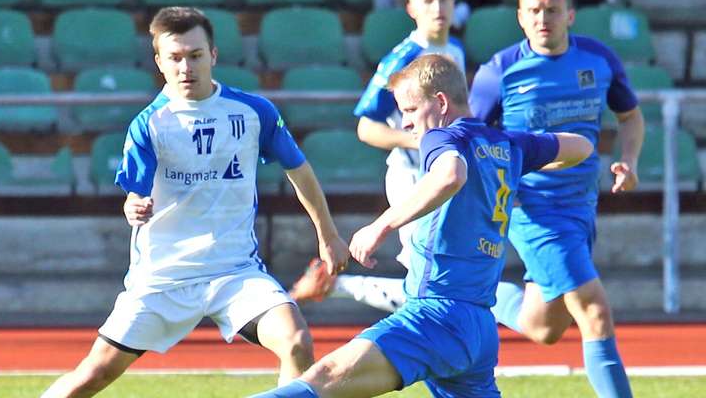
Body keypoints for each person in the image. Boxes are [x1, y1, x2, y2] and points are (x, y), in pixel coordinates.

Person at [40, 7, 350, 398]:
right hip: (163, 276)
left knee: (296, 341)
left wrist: (329, 235)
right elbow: (134, 195)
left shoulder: (254, 112)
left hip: (234, 271)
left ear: (214, 55)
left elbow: (299, 172)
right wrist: (132, 205)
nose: (186, 66)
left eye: (195, 55)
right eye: (175, 57)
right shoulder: (149, 124)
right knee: (92, 376)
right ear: (159, 62)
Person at [250, 54, 593, 398]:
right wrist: (519, 166)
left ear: (440, 102)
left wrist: (380, 226)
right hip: (478, 328)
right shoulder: (507, 145)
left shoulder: (442, 137)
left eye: (411, 110)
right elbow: (582, 146)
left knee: (325, 377)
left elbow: (451, 175)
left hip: (436, 314)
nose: (405, 124)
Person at [468, 0, 644, 398]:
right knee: (595, 312)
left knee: (543, 326)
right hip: (533, 213)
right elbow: (470, 140)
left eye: (552, 9)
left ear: (571, 15)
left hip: (581, 208)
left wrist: (628, 160)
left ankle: (484, 295)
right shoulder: (499, 73)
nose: (543, 18)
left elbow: (630, 116)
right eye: (534, 10)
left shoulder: (598, 60)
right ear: (520, 18)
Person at [289, 0, 466, 314]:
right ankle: (340, 287)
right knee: (430, 283)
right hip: (412, 176)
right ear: (411, 8)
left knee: (440, 280)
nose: (438, 8)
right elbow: (366, 128)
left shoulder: (456, 50)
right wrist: (422, 142)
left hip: (448, 174)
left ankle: (336, 284)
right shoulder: (401, 59)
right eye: (428, 1)